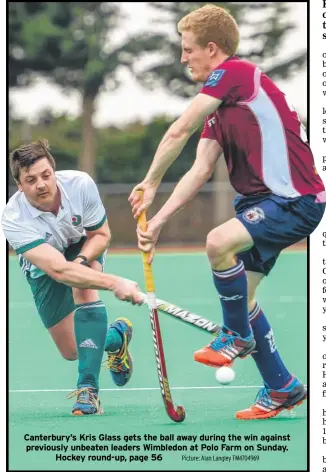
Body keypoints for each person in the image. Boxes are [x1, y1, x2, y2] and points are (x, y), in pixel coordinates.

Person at [129, 4, 326, 420]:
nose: (183, 58)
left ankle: (233, 336)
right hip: (263, 203)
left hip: (294, 200)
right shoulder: (222, 110)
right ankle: (282, 387)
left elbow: (178, 129)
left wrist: (148, 181)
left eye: (188, 49)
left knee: (218, 242)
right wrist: (159, 220)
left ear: (212, 49)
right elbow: (200, 169)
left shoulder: (235, 73)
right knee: (246, 298)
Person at [3, 138, 143, 416]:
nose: (41, 184)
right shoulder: (12, 218)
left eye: (46, 175)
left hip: (82, 246)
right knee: (72, 350)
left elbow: (101, 235)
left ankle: (88, 390)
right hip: (45, 265)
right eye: (30, 180)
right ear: (19, 185)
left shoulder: (79, 185)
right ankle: (116, 337)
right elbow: (58, 270)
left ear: (53, 171)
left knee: (84, 288)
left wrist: (81, 261)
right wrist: (116, 282)